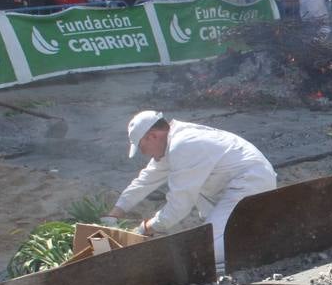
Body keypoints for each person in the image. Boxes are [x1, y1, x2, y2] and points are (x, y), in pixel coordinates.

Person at [108, 112, 277, 269]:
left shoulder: (184, 145)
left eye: (143, 148)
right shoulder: (172, 142)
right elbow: (145, 180)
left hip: (250, 182)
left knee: (208, 250)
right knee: (213, 236)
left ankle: (248, 261)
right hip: (233, 184)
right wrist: (115, 213)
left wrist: (145, 228)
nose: (146, 155)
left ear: (152, 136)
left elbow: (179, 206)